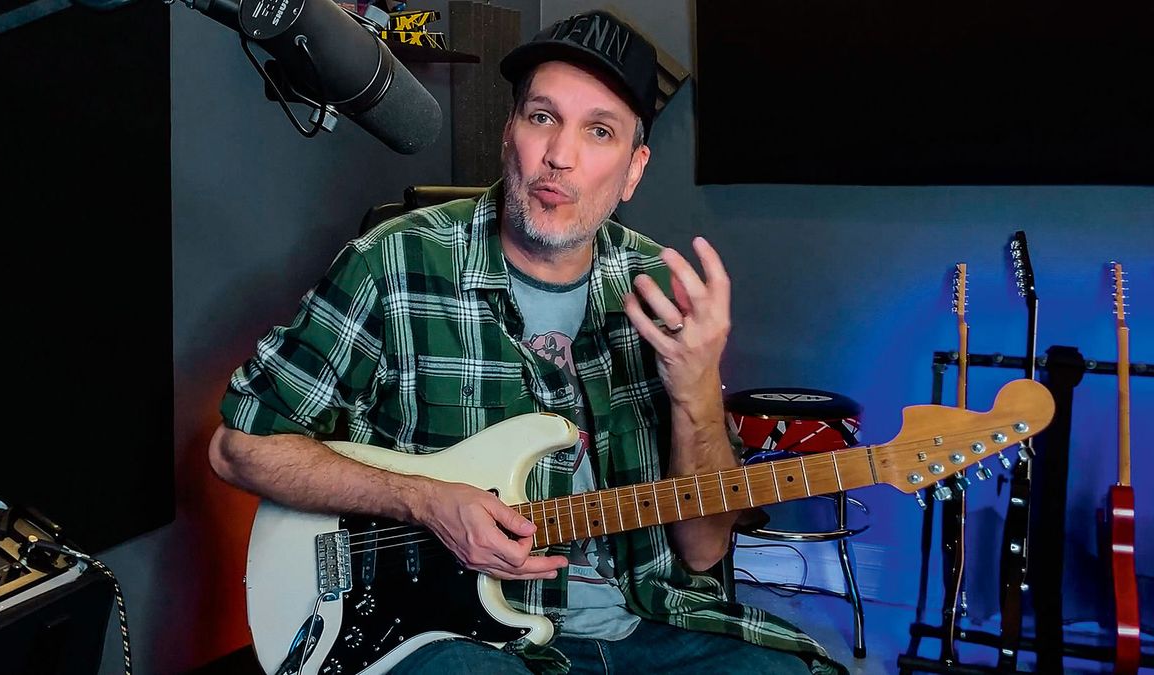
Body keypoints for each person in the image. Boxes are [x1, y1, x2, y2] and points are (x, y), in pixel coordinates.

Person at [210, 9, 845, 675]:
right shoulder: (394, 263)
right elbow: (237, 448)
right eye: (542, 116)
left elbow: (704, 549)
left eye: (599, 131)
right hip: (453, 635)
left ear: (633, 169)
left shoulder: (661, 290)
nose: (559, 156)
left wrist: (695, 396)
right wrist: (421, 498)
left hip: (648, 624)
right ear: (509, 130)